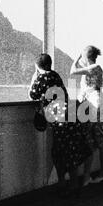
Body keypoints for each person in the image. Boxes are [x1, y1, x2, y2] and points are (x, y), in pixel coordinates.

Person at [29, 54, 92, 197]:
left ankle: (70, 184)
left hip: (60, 120)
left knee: (64, 151)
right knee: (62, 150)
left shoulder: (41, 78)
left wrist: (34, 78)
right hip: (68, 115)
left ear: (38, 66)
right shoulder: (55, 75)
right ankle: (65, 182)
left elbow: (32, 95)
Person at [70, 46, 103, 186]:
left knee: (100, 140)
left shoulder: (96, 67)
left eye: (82, 56)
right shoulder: (90, 69)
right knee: (90, 141)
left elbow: (72, 71)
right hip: (90, 104)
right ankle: (87, 176)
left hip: (96, 104)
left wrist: (77, 57)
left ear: (86, 56)